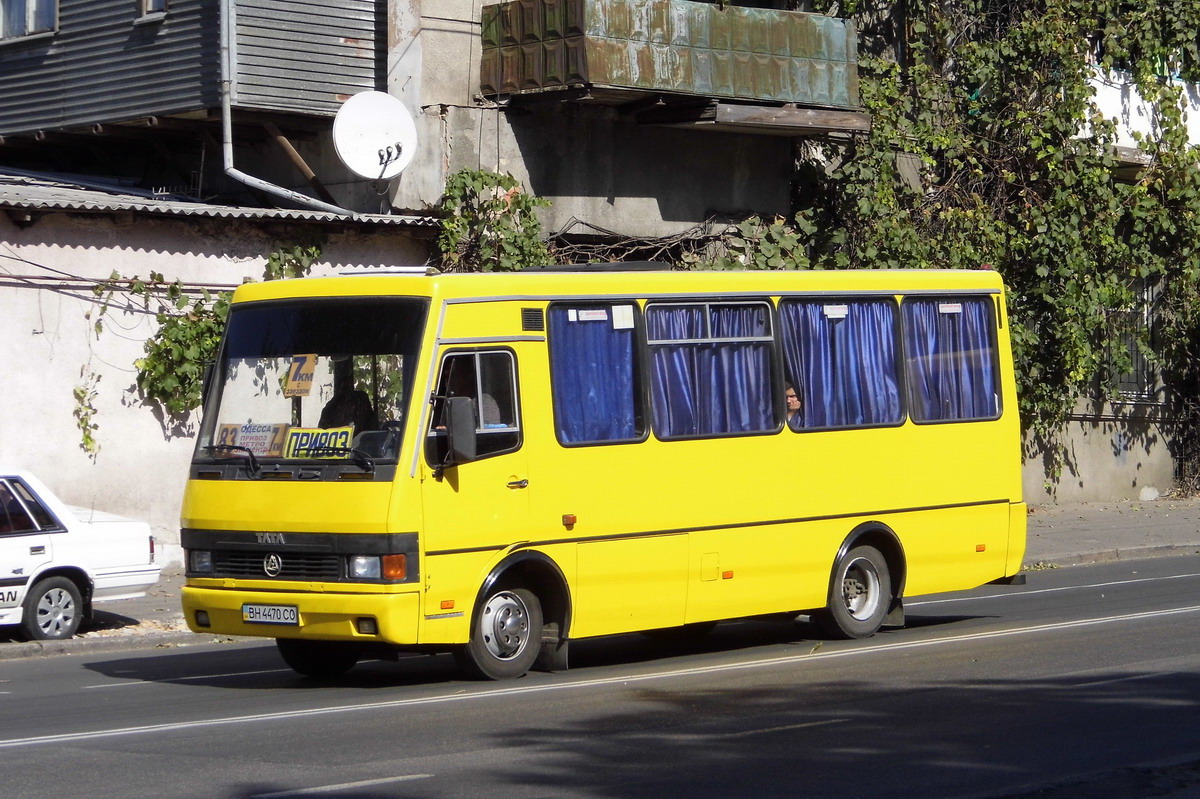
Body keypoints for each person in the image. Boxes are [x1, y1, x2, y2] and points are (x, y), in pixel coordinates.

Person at [319, 358, 378, 431]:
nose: (345, 387)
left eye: (348, 384)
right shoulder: (330, 409)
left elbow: (372, 428)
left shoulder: (360, 400)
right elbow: (322, 435)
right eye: (342, 385)